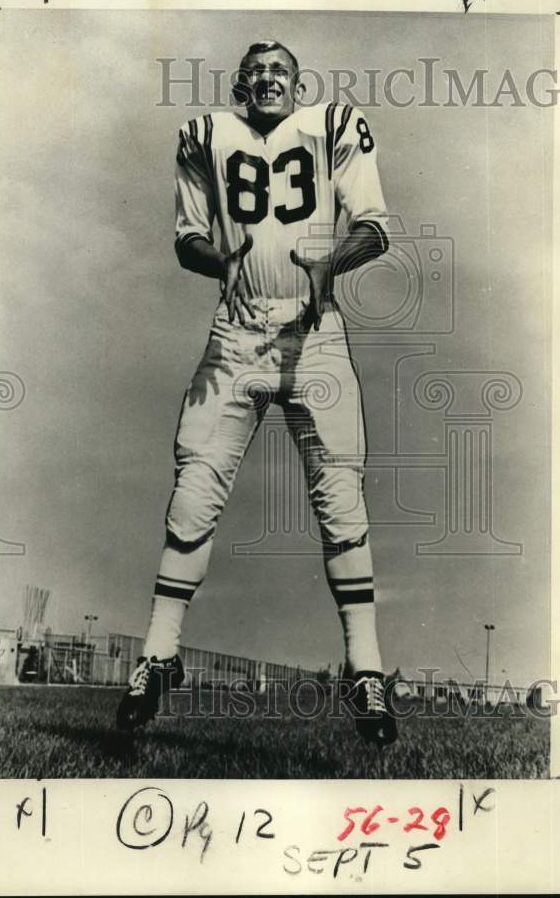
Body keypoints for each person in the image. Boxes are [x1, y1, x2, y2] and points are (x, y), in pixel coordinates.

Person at [116, 39, 397, 745]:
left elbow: (375, 228)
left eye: (281, 71)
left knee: (340, 499)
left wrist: (331, 264)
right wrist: (221, 259)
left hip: (315, 335)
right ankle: (157, 657)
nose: (268, 79)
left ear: (299, 85)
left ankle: (365, 671)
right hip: (235, 337)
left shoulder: (333, 126)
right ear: (240, 86)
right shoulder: (205, 134)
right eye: (256, 72)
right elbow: (187, 238)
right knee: (194, 489)